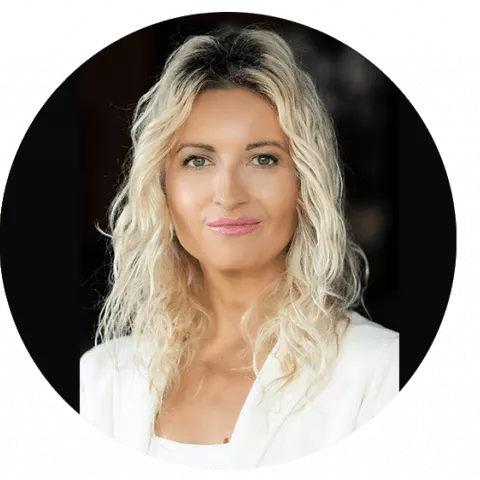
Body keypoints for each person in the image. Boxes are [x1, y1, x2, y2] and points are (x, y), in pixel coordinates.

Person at [80, 25, 399, 470]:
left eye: (263, 158)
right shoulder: (101, 380)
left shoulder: (381, 372)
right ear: (162, 188)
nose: (228, 194)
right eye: (197, 160)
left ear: (305, 185)